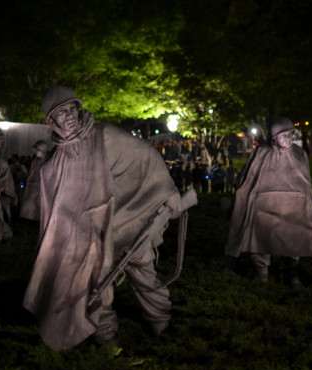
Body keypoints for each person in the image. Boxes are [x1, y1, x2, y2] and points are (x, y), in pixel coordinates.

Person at [23, 86, 189, 350]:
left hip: (128, 223)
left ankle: (164, 331)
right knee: (94, 291)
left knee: (145, 277)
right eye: (59, 113)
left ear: (77, 108)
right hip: (90, 239)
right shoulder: (55, 162)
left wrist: (168, 193)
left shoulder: (105, 135)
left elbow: (146, 157)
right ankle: (108, 344)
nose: (67, 116)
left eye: (69, 109)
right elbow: (54, 211)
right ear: (51, 122)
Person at [225, 117, 312, 291]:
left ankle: (293, 273)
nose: (288, 138)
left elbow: (305, 185)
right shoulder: (261, 153)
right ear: (274, 137)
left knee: (295, 240)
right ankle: (262, 275)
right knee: (260, 241)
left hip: (293, 208)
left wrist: (308, 207)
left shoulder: (300, 155)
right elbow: (248, 180)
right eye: (283, 135)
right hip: (265, 207)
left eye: (290, 134)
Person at [19, 140, 49, 221]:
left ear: (42, 150)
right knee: (28, 207)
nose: (35, 151)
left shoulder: (47, 163)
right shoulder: (35, 161)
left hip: (40, 188)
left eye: (37, 150)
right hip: (31, 187)